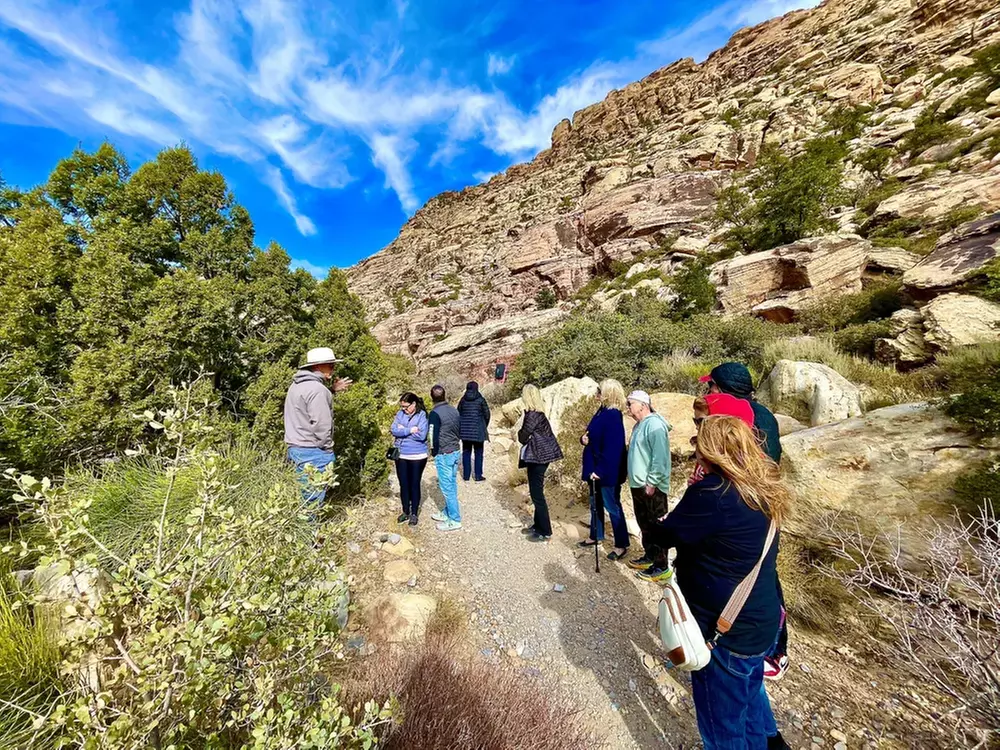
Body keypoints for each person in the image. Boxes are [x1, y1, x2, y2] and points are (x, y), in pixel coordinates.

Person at [655, 415, 791, 749]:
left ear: (711, 452)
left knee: (722, 728)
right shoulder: (762, 488)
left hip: (725, 629)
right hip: (761, 620)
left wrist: (676, 506)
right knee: (748, 704)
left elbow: (666, 534)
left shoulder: (713, 493)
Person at [700, 363, 789, 683]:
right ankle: (771, 647)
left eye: (710, 386)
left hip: (743, 504)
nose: (707, 391)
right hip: (765, 503)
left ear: (721, 388)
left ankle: (773, 650)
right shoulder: (765, 414)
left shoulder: (735, 417)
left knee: (756, 577)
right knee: (764, 574)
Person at [284, 347, 352, 508]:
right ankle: (309, 533)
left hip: (296, 448)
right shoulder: (318, 390)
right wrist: (327, 449)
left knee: (302, 496)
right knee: (312, 500)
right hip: (313, 452)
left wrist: (332, 390)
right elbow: (321, 425)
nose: (332, 369)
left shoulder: (296, 385)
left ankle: (299, 530)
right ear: (316, 367)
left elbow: (307, 407)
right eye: (329, 365)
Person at [624, 390, 673, 582]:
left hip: (652, 486)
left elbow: (659, 458)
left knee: (657, 525)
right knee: (644, 523)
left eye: (630, 404)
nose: (628, 407)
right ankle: (650, 555)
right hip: (639, 484)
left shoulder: (654, 425)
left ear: (643, 405)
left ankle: (661, 566)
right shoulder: (639, 425)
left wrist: (652, 482)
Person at [579, 379, 630, 561]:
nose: (596, 393)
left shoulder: (613, 415)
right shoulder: (602, 411)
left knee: (612, 507)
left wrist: (599, 470)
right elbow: (591, 433)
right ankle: (595, 535)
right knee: (595, 504)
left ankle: (621, 544)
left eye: (600, 390)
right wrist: (584, 439)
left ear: (608, 393)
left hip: (607, 472)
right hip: (594, 467)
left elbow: (613, 449)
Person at [517, 384, 564, 543]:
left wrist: (521, 434)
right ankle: (537, 525)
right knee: (536, 492)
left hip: (539, 457)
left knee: (537, 495)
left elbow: (522, 436)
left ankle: (545, 531)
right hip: (541, 456)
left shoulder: (533, 415)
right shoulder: (538, 414)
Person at [390, 393, 429, 526]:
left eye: (406, 407)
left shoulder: (422, 415)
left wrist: (403, 431)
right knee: (403, 484)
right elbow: (393, 430)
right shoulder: (400, 414)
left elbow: (422, 435)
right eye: (402, 407)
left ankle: (414, 513)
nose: (403, 409)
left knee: (414, 484)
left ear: (413, 404)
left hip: (417, 456)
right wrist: (410, 430)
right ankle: (405, 511)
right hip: (401, 455)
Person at [427, 384, 462, 532]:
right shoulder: (454, 410)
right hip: (454, 451)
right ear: (444, 395)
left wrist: (433, 451)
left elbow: (432, 434)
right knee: (452, 484)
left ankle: (454, 519)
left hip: (444, 453)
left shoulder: (434, 413)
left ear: (431, 397)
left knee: (447, 488)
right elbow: (459, 428)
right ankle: (448, 512)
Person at [457, 381, 491, 481]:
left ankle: (466, 476)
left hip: (465, 432)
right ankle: (478, 476)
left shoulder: (463, 400)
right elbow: (487, 415)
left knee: (466, 453)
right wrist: (484, 425)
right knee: (479, 453)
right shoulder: (481, 400)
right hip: (478, 432)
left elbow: (458, 414)